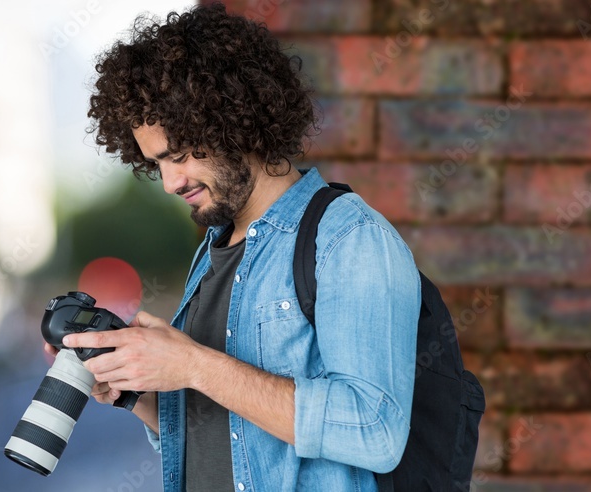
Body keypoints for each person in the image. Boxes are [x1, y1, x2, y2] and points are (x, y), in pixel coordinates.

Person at [47, 4, 421, 491]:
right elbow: (225, 434)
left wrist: (194, 364)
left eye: (178, 156)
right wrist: (132, 388)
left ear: (234, 122)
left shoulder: (348, 239)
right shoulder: (214, 251)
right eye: (155, 163)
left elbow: (377, 432)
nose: (168, 183)